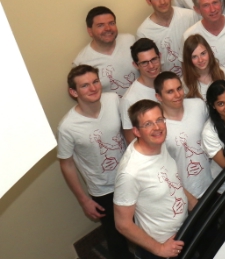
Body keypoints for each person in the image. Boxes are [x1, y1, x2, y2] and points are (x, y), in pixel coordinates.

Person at [58, 65, 133, 259]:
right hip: (104, 189)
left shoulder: (113, 100)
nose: (93, 88)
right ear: (74, 92)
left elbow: (127, 130)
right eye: (85, 85)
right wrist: (84, 200)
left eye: (95, 82)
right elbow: (66, 164)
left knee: (146, 225)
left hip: (130, 176)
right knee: (116, 237)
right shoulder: (67, 127)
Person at [114, 100, 197, 259]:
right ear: (137, 131)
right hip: (161, 247)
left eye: (159, 120)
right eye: (148, 124)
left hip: (183, 230)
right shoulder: (130, 172)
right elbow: (122, 224)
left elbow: (170, 180)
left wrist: (192, 201)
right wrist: (160, 249)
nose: (157, 127)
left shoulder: (158, 143)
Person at [154, 72, 213, 200]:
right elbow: (162, 170)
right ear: (159, 96)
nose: (177, 95)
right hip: (187, 196)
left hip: (215, 184)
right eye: (170, 92)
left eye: (179, 88)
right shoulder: (157, 127)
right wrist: (189, 199)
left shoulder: (198, 105)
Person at [136, 0, 200, 78]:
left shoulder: (191, 16)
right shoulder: (144, 33)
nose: (162, 1)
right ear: (148, 0)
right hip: (166, 84)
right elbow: (147, 68)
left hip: (195, 78)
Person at [74, 7, 139, 97]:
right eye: (100, 25)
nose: (108, 28)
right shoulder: (83, 62)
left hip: (144, 102)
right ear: (90, 31)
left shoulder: (130, 41)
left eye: (111, 23)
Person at [120, 38, 163, 143]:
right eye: (144, 63)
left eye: (154, 59)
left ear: (160, 56)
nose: (151, 66)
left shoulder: (170, 82)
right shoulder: (129, 100)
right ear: (135, 65)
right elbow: (132, 141)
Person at [181, 34, 225, 101]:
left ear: (209, 52)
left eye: (203, 53)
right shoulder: (184, 83)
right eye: (194, 57)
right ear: (188, 59)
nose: (200, 60)